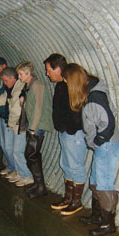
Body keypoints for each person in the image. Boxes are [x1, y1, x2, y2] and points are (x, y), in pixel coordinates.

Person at [62, 63, 119, 236]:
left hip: (107, 145)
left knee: (104, 184)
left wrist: (98, 140)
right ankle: (97, 216)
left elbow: (108, 123)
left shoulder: (95, 96)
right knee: (95, 179)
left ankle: (108, 224)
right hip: (102, 145)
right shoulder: (89, 92)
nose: (65, 84)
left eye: (66, 81)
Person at [44, 54, 87, 215]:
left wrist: (71, 129)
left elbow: (77, 109)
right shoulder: (61, 85)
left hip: (73, 134)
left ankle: (76, 202)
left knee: (76, 166)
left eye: (49, 70)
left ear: (58, 69)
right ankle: (68, 198)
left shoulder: (71, 84)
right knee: (66, 165)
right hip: (65, 133)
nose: (47, 74)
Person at [0, 67, 32, 186]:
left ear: (13, 78)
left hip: (19, 124)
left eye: (6, 81)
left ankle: (26, 175)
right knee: (10, 148)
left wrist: (10, 122)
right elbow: (3, 98)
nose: (4, 83)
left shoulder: (20, 88)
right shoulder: (11, 88)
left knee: (17, 151)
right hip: (13, 123)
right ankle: (18, 171)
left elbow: (16, 110)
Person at [17, 61, 54, 196]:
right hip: (33, 124)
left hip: (37, 125)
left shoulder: (37, 85)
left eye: (20, 74)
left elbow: (38, 108)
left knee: (30, 155)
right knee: (33, 155)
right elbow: (32, 105)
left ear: (28, 73)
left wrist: (32, 127)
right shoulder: (29, 85)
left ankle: (41, 187)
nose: (19, 77)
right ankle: (38, 185)